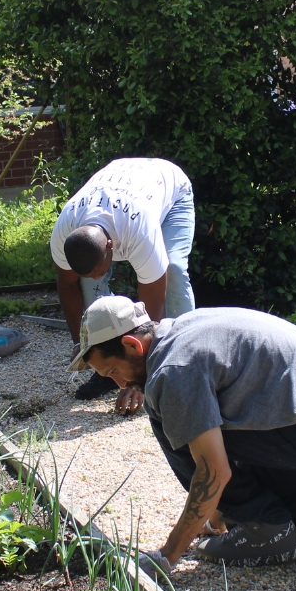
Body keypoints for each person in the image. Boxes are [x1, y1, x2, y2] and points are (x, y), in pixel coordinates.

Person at [70, 296, 296, 573]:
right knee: (201, 433)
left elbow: (214, 472)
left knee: (171, 420)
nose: (119, 384)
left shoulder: (173, 371)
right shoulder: (180, 329)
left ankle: (265, 531)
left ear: (133, 344)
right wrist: (221, 513)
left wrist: (167, 557)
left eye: (113, 371)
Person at [51, 158, 195, 406]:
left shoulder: (140, 233)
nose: (97, 277)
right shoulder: (64, 231)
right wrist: (83, 345)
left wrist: (142, 377)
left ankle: (188, 363)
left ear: (111, 247)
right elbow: (68, 287)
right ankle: (109, 364)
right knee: (86, 285)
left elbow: (152, 314)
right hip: (122, 193)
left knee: (173, 269)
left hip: (172, 196)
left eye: (99, 270)